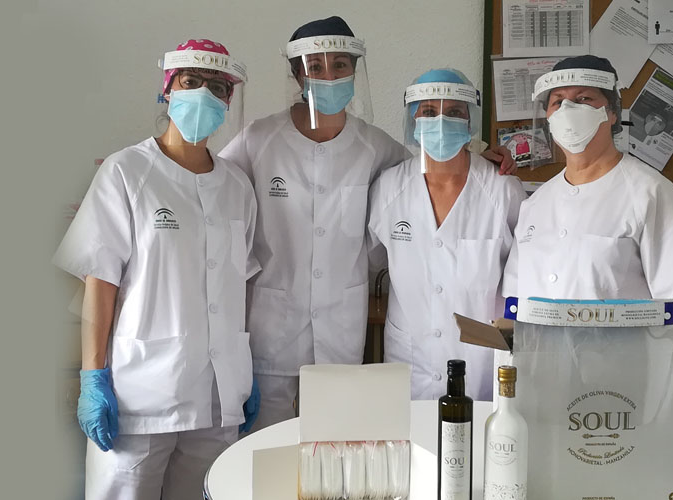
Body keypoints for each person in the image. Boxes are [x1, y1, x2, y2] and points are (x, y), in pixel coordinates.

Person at [221, 17, 516, 432]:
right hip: (272, 329)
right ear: (297, 75)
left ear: (355, 71)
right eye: (315, 66)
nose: (329, 76)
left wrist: (481, 151)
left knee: (335, 452)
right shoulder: (259, 139)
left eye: (340, 65)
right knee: (268, 450)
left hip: (341, 333)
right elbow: (215, 184)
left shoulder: (374, 145)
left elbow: (431, 159)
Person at [54, 39, 261, 500]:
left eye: (217, 87)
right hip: (142, 396)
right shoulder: (126, 172)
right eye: (191, 81)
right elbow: (100, 281)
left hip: (218, 397)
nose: (203, 94)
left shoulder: (237, 186)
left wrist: (244, 370)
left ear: (228, 101)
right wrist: (93, 377)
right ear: (167, 90)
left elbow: (239, 286)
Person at [502, 53, 673, 327]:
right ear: (548, 116)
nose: (568, 109)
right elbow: (513, 305)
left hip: (624, 355)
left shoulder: (650, 192)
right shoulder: (535, 204)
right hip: (539, 354)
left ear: (612, 112)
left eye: (583, 98)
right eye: (558, 101)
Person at [367, 69, 526, 401]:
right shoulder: (388, 189)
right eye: (428, 112)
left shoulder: (502, 191)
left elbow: (522, 279)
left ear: (470, 122)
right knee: (412, 432)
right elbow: (374, 259)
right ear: (412, 121)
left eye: (454, 112)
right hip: (410, 359)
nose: (440, 122)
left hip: (480, 361)